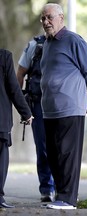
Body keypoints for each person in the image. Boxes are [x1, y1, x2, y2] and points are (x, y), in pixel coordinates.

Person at [39, 3, 87, 210]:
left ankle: (68, 199)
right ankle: (60, 195)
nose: (46, 22)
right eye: (43, 18)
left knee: (67, 154)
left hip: (71, 106)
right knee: (53, 154)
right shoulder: (46, 44)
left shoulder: (73, 40)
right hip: (49, 108)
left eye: (49, 17)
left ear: (61, 18)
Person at [17, 34, 55, 202]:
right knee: (43, 147)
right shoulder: (35, 45)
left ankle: (63, 188)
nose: (47, 21)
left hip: (60, 102)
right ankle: (47, 189)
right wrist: (20, 104)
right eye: (44, 18)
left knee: (60, 147)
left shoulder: (70, 42)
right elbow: (20, 73)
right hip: (37, 102)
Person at [0, 49, 33, 208]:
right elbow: (13, 87)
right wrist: (26, 113)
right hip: (0, 120)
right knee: (1, 157)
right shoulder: (3, 56)